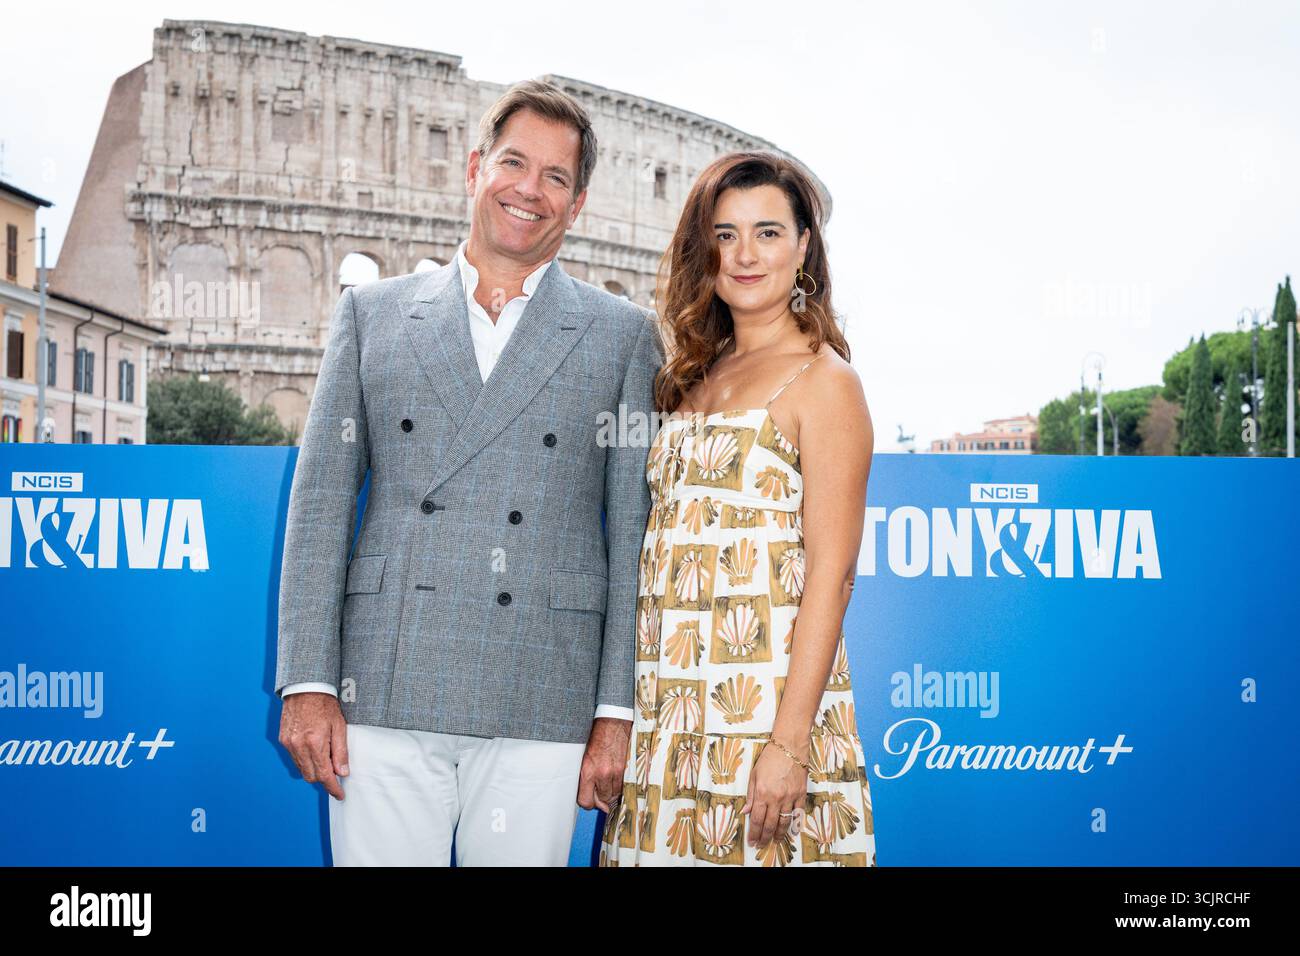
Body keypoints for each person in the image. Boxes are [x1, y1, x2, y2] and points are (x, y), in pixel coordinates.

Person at [275, 79, 663, 866]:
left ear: (578, 203)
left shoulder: (623, 335)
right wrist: (307, 682)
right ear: (475, 168)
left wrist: (615, 709)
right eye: (515, 164)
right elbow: (318, 505)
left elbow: (632, 536)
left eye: (557, 177)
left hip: (544, 691)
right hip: (383, 683)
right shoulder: (371, 314)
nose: (531, 190)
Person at [598, 151, 877, 866]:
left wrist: (787, 744)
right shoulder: (687, 379)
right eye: (725, 236)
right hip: (669, 722)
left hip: (759, 719)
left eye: (768, 233)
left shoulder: (827, 382)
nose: (745, 255)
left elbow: (832, 577)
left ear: (804, 245)